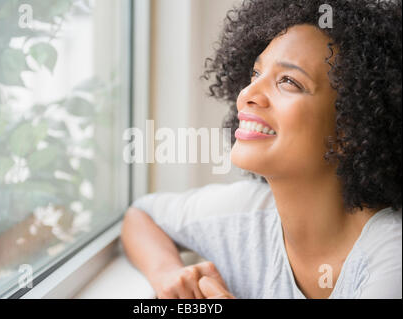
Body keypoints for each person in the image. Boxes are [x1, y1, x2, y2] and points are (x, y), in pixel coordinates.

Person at [121, 0, 402, 299]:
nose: (247, 94)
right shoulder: (244, 212)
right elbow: (141, 216)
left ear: (352, 128)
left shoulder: (390, 260)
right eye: (256, 74)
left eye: (289, 81)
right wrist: (168, 274)